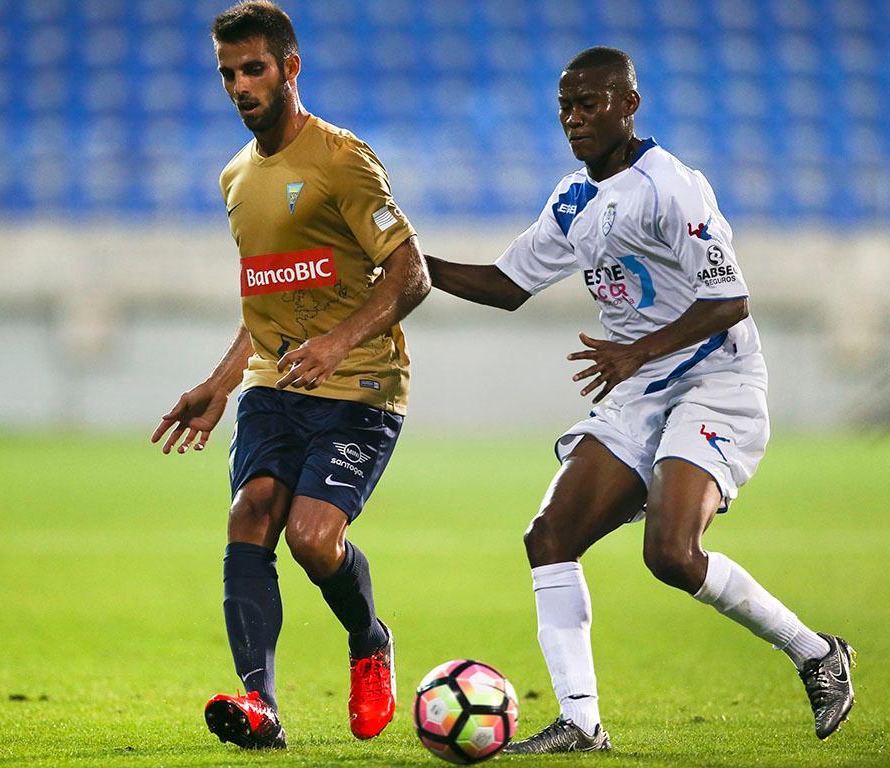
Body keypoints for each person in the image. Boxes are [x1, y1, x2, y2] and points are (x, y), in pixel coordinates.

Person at [425, 47, 854, 753]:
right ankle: (580, 722)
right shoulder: (572, 199)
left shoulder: (673, 187)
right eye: (565, 107)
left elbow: (729, 297)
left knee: (673, 554)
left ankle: (816, 654)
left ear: (628, 105)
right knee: (550, 538)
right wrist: (415, 261)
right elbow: (507, 285)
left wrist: (635, 350)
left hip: (715, 383)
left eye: (588, 104)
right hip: (640, 391)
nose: (574, 119)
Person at [151, 1, 430, 750]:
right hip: (274, 380)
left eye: (254, 69)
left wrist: (340, 341)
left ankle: (370, 640)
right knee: (251, 514)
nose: (241, 86)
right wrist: (221, 379)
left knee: (311, 538)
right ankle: (260, 707)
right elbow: (270, 296)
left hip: (362, 382)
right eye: (228, 73)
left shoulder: (342, 159)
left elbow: (411, 273)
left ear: (289, 68)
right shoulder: (236, 178)